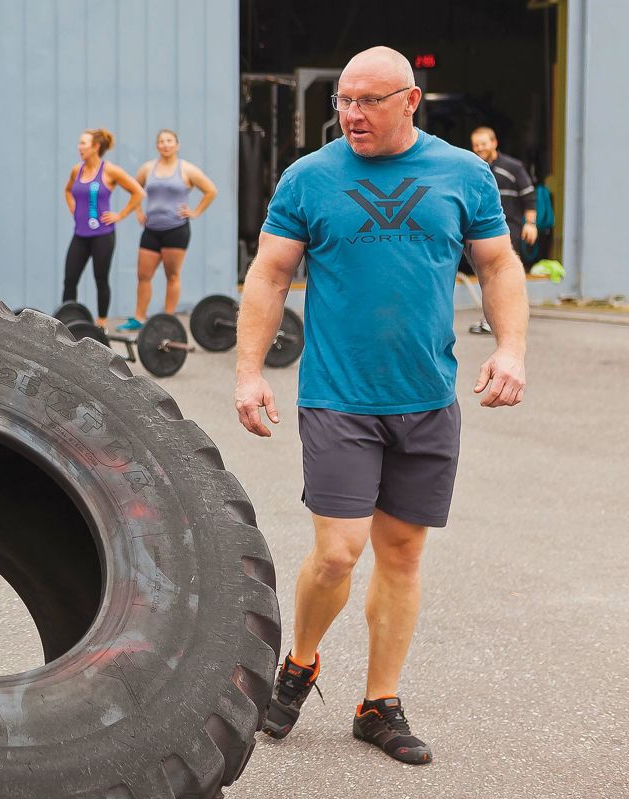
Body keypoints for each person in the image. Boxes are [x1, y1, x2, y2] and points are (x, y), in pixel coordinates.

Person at [233, 46, 527, 765]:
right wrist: (248, 371)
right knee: (338, 551)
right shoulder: (310, 177)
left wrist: (512, 347)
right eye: (343, 102)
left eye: (367, 101)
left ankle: (378, 703)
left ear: (410, 100)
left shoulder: (463, 173)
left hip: (426, 395)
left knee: (402, 552)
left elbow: (497, 263)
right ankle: (300, 661)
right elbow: (270, 274)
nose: (352, 115)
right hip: (340, 395)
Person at [119, 129, 218, 331]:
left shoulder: (187, 170)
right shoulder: (147, 168)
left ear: (177, 145)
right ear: (157, 146)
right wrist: (137, 211)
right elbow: (134, 189)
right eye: (161, 141)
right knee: (143, 275)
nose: (165, 144)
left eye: (169, 141)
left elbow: (210, 190)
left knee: (172, 275)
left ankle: (167, 319)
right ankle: (139, 318)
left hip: (176, 230)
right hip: (151, 230)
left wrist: (195, 212)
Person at [62, 128, 145, 329]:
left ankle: (101, 323)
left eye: (83, 143)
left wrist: (121, 214)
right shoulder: (77, 170)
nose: (79, 147)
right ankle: (65, 321)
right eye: (79, 143)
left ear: (96, 147)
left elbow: (138, 192)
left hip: (102, 236)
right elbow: (68, 190)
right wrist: (73, 208)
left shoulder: (110, 171)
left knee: (101, 278)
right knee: (70, 279)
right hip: (80, 234)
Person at [468, 126, 537, 334]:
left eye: (484, 143)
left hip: (510, 229)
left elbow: (529, 196)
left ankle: (501, 322)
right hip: (483, 232)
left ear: (494, 143)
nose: (480, 148)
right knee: (487, 277)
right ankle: (493, 319)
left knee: (502, 275)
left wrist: (531, 224)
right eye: (476, 145)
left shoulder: (513, 167)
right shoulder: (472, 168)